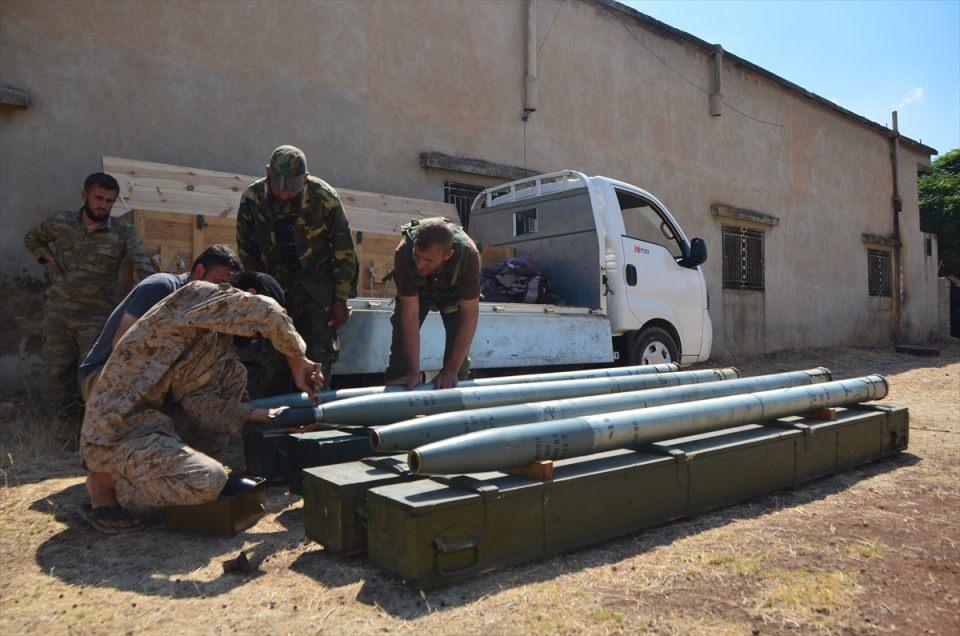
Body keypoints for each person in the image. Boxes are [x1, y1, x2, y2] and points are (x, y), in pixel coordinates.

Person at [79, 272, 321, 533]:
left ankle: (163, 475)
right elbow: (267, 312)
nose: (255, 337)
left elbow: (202, 405)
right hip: (116, 431)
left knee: (233, 378)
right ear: (247, 294)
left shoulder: (212, 343)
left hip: (151, 427)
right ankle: (105, 484)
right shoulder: (196, 295)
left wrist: (270, 418)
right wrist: (297, 358)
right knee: (209, 480)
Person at [23, 172, 154, 413]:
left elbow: (141, 263)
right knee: (57, 371)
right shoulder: (60, 222)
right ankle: (63, 421)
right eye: (98, 198)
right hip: (58, 314)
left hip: (95, 317)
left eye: (109, 201)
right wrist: (48, 258)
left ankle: (90, 423)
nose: (103, 205)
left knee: (92, 373)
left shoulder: (122, 231)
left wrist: (157, 291)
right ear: (85, 195)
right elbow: (32, 239)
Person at [236, 145, 357, 391]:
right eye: (279, 186)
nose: (284, 194)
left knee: (319, 355)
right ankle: (273, 410)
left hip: (316, 291)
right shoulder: (252, 199)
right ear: (267, 172)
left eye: (292, 187)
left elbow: (344, 251)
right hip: (274, 291)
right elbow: (246, 250)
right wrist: (255, 293)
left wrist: (341, 299)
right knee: (273, 359)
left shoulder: (325, 199)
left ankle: (316, 407)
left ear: (306, 177)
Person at [77, 244, 242, 402]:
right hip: (104, 376)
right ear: (199, 271)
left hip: (146, 378)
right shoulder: (161, 287)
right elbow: (120, 343)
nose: (220, 292)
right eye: (218, 283)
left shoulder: (202, 306)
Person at [384, 217, 481, 390]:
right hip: (418, 293)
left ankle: (453, 401)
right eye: (417, 256)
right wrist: (412, 371)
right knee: (401, 363)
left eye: (428, 260)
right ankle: (399, 399)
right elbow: (410, 315)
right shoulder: (404, 252)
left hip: (452, 295)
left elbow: (470, 316)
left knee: (457, 369)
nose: (420, 265)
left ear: (448, 255)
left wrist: (450, 370)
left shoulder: (468, 256)